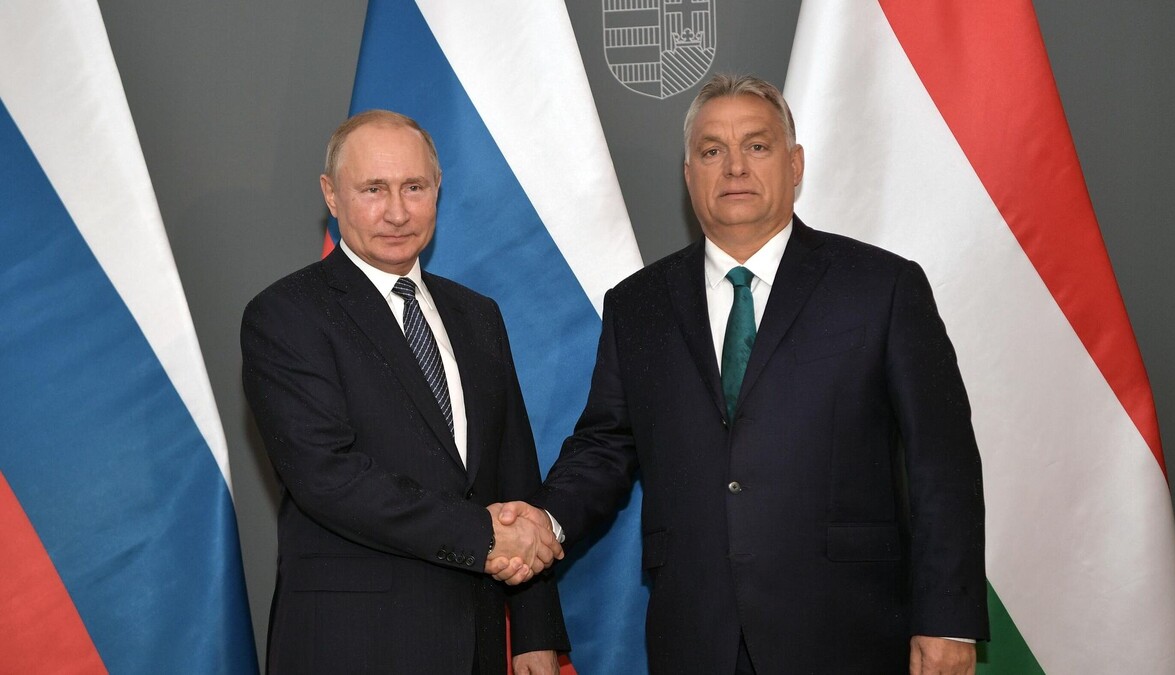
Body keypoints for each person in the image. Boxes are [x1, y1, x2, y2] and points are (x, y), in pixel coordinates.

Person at [497, 75, 989, 673]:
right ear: (688, 175)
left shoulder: (882, 287)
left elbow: (943, 462)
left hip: (848, 631)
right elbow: (604, 447)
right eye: (712, 151)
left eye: (756, 146)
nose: (734, 167)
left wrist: (947, 619)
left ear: (795, 163)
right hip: (695, 634)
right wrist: (544, 522)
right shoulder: (638, 306)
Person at [241, 109, 568, 674]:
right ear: (331, 195)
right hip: (352, 647)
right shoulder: (286, 315)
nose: (397, 212)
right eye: (373, 189)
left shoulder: (477, 315)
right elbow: (328, 477)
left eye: (414, 187)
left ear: (437, 189)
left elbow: (513, 471)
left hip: (476, 644)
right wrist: (484, 536)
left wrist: (534, 630)